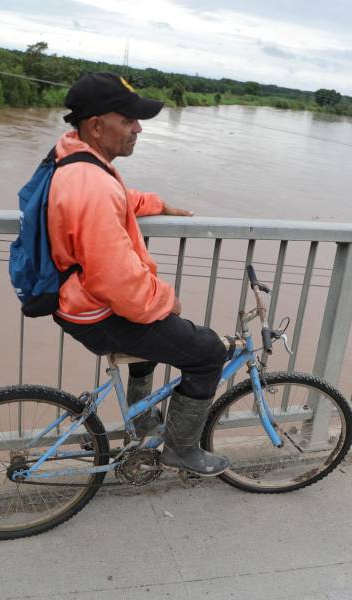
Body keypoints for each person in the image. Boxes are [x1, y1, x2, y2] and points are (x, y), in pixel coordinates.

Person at [48, 72, 230, 476]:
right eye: (128, 120)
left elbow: (118, 200)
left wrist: (156, 204)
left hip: (78, 300)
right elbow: (117, 281)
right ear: (97, 126)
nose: (138, 128)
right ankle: (182, 450)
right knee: (208, 352)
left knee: (157, 336)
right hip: (97, 310)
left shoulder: (77, 162)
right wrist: (166, 301)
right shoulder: (91, 184)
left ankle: (143, 419)